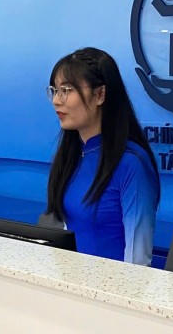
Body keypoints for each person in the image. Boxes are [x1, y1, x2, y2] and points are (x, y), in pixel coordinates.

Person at [45, 48, 160, 265]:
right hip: (70, 280)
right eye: (54, 90)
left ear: (100, 95)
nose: (57, 101)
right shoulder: (71, 156)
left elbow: (137, 260)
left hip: (114, 284)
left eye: (67, 90)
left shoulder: (131, 163)